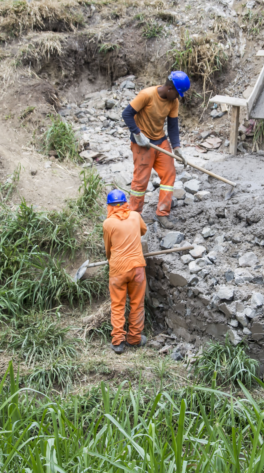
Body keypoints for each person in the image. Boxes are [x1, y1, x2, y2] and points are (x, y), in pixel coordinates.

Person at [121, 71, 190, 230]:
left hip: (160, 141)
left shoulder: (173, 102)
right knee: (141, 180)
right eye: (178, 93)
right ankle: (135, 216)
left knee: (169, 174)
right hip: (142, 144)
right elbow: (127, 114)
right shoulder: (147, 95)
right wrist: (137, 133)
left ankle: (162, 214)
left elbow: (172, 127)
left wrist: (177, 148)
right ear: (170, 88)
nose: (178, 97)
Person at [103, 190, 148, 355]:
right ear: (125, 203)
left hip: (117, 270)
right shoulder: (135, 216)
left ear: (109, 206)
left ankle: (118, 343)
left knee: (117, 305)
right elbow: (143, 231)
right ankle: (134, 338)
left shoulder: (108, 223)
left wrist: (111, 260)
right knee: (137, 303)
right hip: (137, 268)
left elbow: (108, 248)